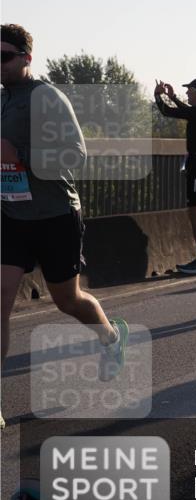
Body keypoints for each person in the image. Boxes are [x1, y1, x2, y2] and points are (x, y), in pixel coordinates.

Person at [1, 24, 128, 429]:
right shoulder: (2, 102)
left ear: (26, 58)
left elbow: (76, 156)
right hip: (11, 216)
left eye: (4, 56)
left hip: (55, 216)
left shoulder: (47, 98)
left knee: (67, 300)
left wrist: (20, 154)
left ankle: (110, 337)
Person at [153, 77, 196, 275]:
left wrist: (159, 95)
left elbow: (168, 112)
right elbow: (187, 111)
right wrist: (172, 96)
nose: (187, 94)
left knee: (195, 213)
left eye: (189, 91)